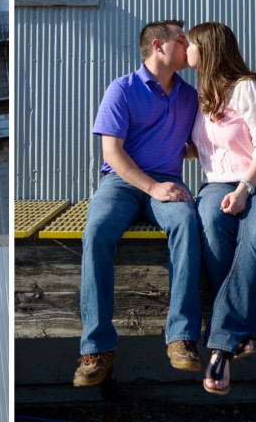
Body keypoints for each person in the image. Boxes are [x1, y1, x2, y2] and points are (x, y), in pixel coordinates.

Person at [74, 20, 202, 387]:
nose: (187, 45)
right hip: (123, 182)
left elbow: (197, 144)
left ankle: (181, 337)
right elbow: (112, 152)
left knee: (186, 223)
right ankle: (96, 347)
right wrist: (151, 187)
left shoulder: (189, 96)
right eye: (182, 40)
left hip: (168, 181)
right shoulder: (122, 89)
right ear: (159, 46)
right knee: (96, 230)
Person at [185, 22, 256, 396]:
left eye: (191, 45)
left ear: (209, 49)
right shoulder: (200, 97)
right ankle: (243, 330)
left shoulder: (246, 89)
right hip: (217, 183)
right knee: (212, 229)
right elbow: (204, 149)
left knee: (255, 235)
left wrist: (246, 189)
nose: (185, 50)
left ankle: (220, 346)